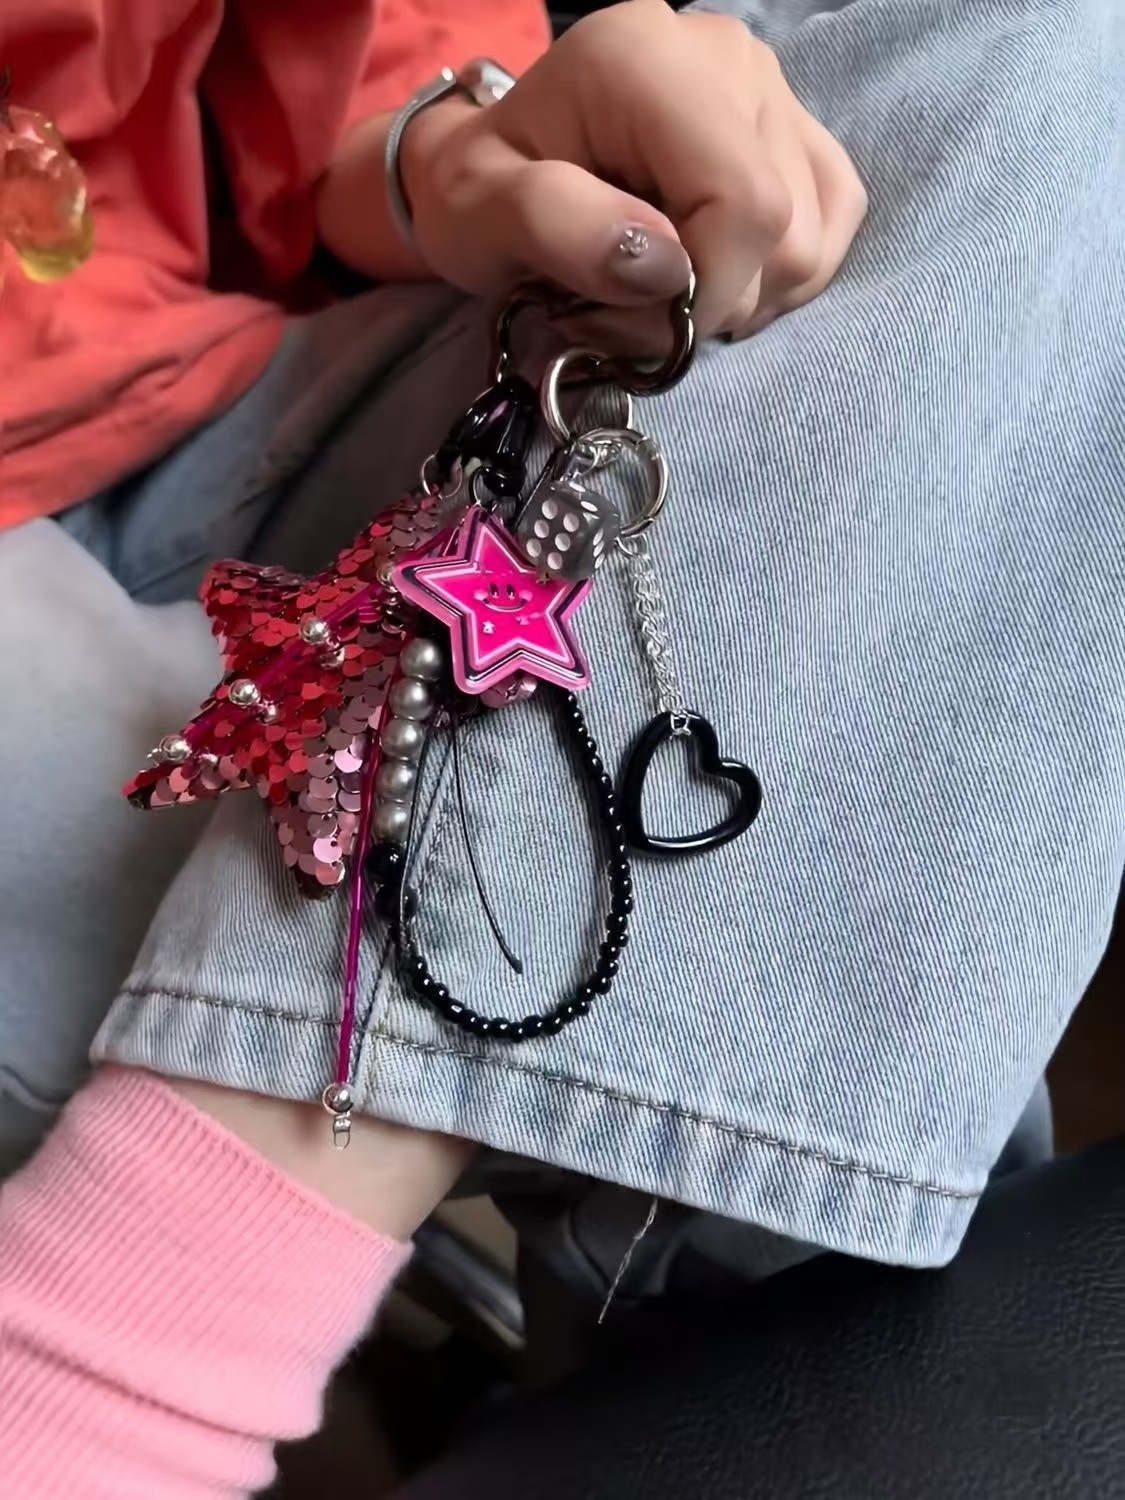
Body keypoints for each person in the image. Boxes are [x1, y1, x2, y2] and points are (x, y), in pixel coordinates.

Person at [3, 0, 1124, 1488]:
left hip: (263, 390)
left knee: (1049, 59)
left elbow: (337, 129)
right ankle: (118, 1369)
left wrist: (468, 162)